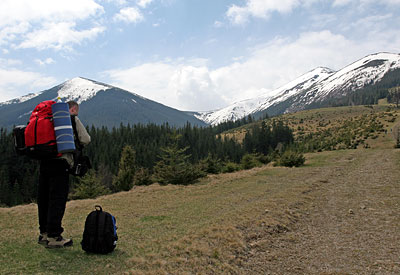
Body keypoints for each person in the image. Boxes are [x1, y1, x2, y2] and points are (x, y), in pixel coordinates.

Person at [37, 100, 91, 248]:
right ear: (73, 109)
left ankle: (44, 234)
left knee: (44, 199)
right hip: (61, 164)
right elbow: (86, 139)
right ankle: (54, 236)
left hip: (44, 162)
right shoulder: (71, 119)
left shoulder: (47, 119)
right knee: (57, 200)